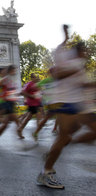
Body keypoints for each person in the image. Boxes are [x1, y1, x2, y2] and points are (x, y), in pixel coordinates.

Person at [36, 25, 96, 189]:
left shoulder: (79, 63)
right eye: (85, 51)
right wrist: (66, 39)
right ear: (78, 51)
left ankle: (60, 148)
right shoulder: (69, 60)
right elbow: (57, 74)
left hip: (78, 104)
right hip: (63, 102)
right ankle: (46, 172)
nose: (88, 53)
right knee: (63, 137)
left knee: (75, 136)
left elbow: (82, 83)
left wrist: (92, 84)